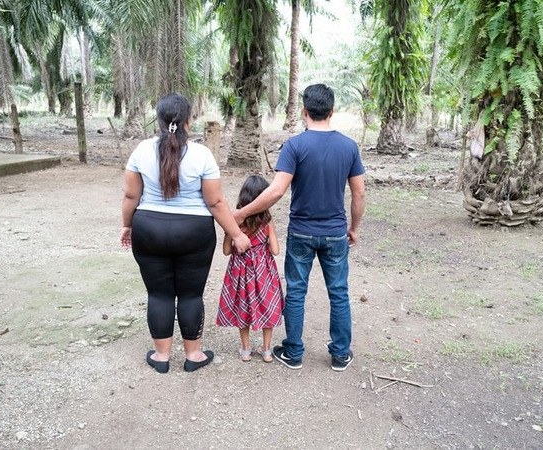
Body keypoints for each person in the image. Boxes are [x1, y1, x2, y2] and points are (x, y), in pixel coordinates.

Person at [234, 84, 365, 372]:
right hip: (335, 233)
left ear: (304, 111)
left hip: (302, 233)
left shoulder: (295, 146)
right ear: (332, 111)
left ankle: (293, 352)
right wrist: (353, 228)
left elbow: (277, 191)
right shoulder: (349, 147)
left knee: (295, 291)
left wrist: (241, 213)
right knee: (339, 292)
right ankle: (341, 354)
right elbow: (358, 194)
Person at [121, 93, 251, 374]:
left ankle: (161, 356)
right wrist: (237, 234)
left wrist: (128, 225)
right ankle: (193, 355)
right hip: (194, 232)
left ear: (159, 120)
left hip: (149, 228)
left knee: (159, 294)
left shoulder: (141, 151)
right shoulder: (202, 155)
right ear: (188, 122)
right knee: (191, 295)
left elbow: (131, 196)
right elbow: (215, 203)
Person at [216, 175, 284, 363]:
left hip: (240, 270)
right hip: (263, 271)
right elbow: (276, 250)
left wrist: (230, 233)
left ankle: (246, 350)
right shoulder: (267, 219)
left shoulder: (234, 220)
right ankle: (267, 350)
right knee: (266, 305)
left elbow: (226, 250)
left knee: (242, 306)